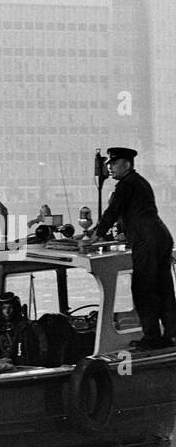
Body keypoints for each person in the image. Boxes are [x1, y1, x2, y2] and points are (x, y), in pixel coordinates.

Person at [79, 146, 175, 349]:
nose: (109, 167)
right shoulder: (139, 182)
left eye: (114, 163)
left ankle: (152, 338)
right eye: (108, 164)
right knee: (163, 287)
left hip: (146, 240)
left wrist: (93, 237)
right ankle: (171, 335)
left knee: (143, 288)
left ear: (127, 164)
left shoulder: (127, 184)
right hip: (160, 236)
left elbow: (113, 211)